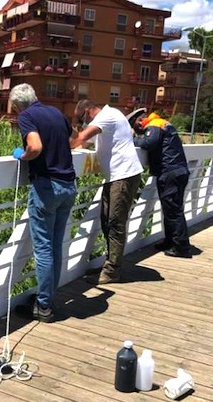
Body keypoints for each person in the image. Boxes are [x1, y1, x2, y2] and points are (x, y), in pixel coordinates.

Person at [10, 84, 77, 322]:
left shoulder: (27, 116)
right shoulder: (56, 112)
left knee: (44, 249)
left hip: (48, 187)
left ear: (18, 106)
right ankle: (47, 297)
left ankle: (44, 306)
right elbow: (74, 138)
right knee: (55, 245)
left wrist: (23, 155)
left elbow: (35, 146)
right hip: (69, 185)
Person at [70, 99, 144, 284]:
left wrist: (57, 150)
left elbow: (81, 139)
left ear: (87, 112)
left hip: (123, 175)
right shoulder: (109, 117)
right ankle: (110, 264)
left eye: (81, 119)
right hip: (115, 176)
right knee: (106, 220)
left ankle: (112, 271)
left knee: (115, 222)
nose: (82, 123)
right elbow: (84, 144)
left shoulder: (106, 117)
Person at [127, 108, 192, 258]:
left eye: (135, 126)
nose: (138, 130)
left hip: (169, 172)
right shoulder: (163, 123)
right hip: (177, 171)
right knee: (170, 208)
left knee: (173, 210)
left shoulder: (154, 125)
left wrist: (131, 139)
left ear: (139, 120)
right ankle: (170, 241)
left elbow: (149, 143)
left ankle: (181, 247)